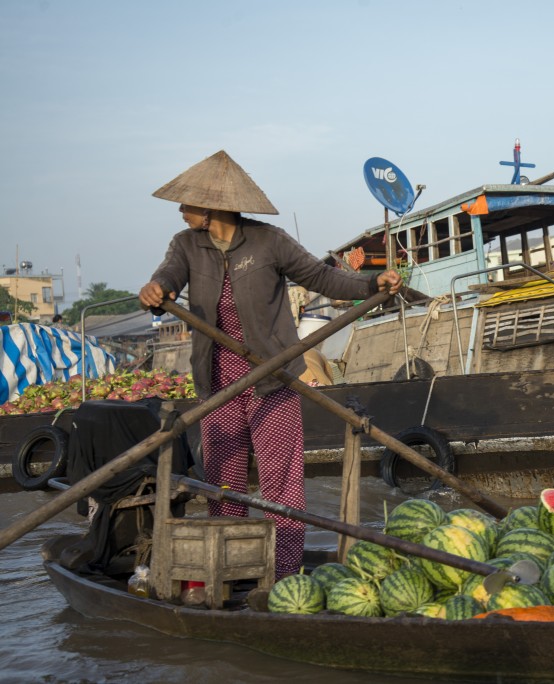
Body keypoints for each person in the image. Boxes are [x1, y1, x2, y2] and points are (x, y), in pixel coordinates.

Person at [139, 150, 401, 578]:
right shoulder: (186, 245)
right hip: (218, 380)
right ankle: (230, 571)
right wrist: (154, 289)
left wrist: (372, 282)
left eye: (187, 204)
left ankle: (283, 574)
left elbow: (322, 277)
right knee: (224, 482)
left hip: (272, 376)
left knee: (281, 480)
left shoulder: (269, 241)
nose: (181, 212)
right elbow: (167, 275)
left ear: (211, 208)